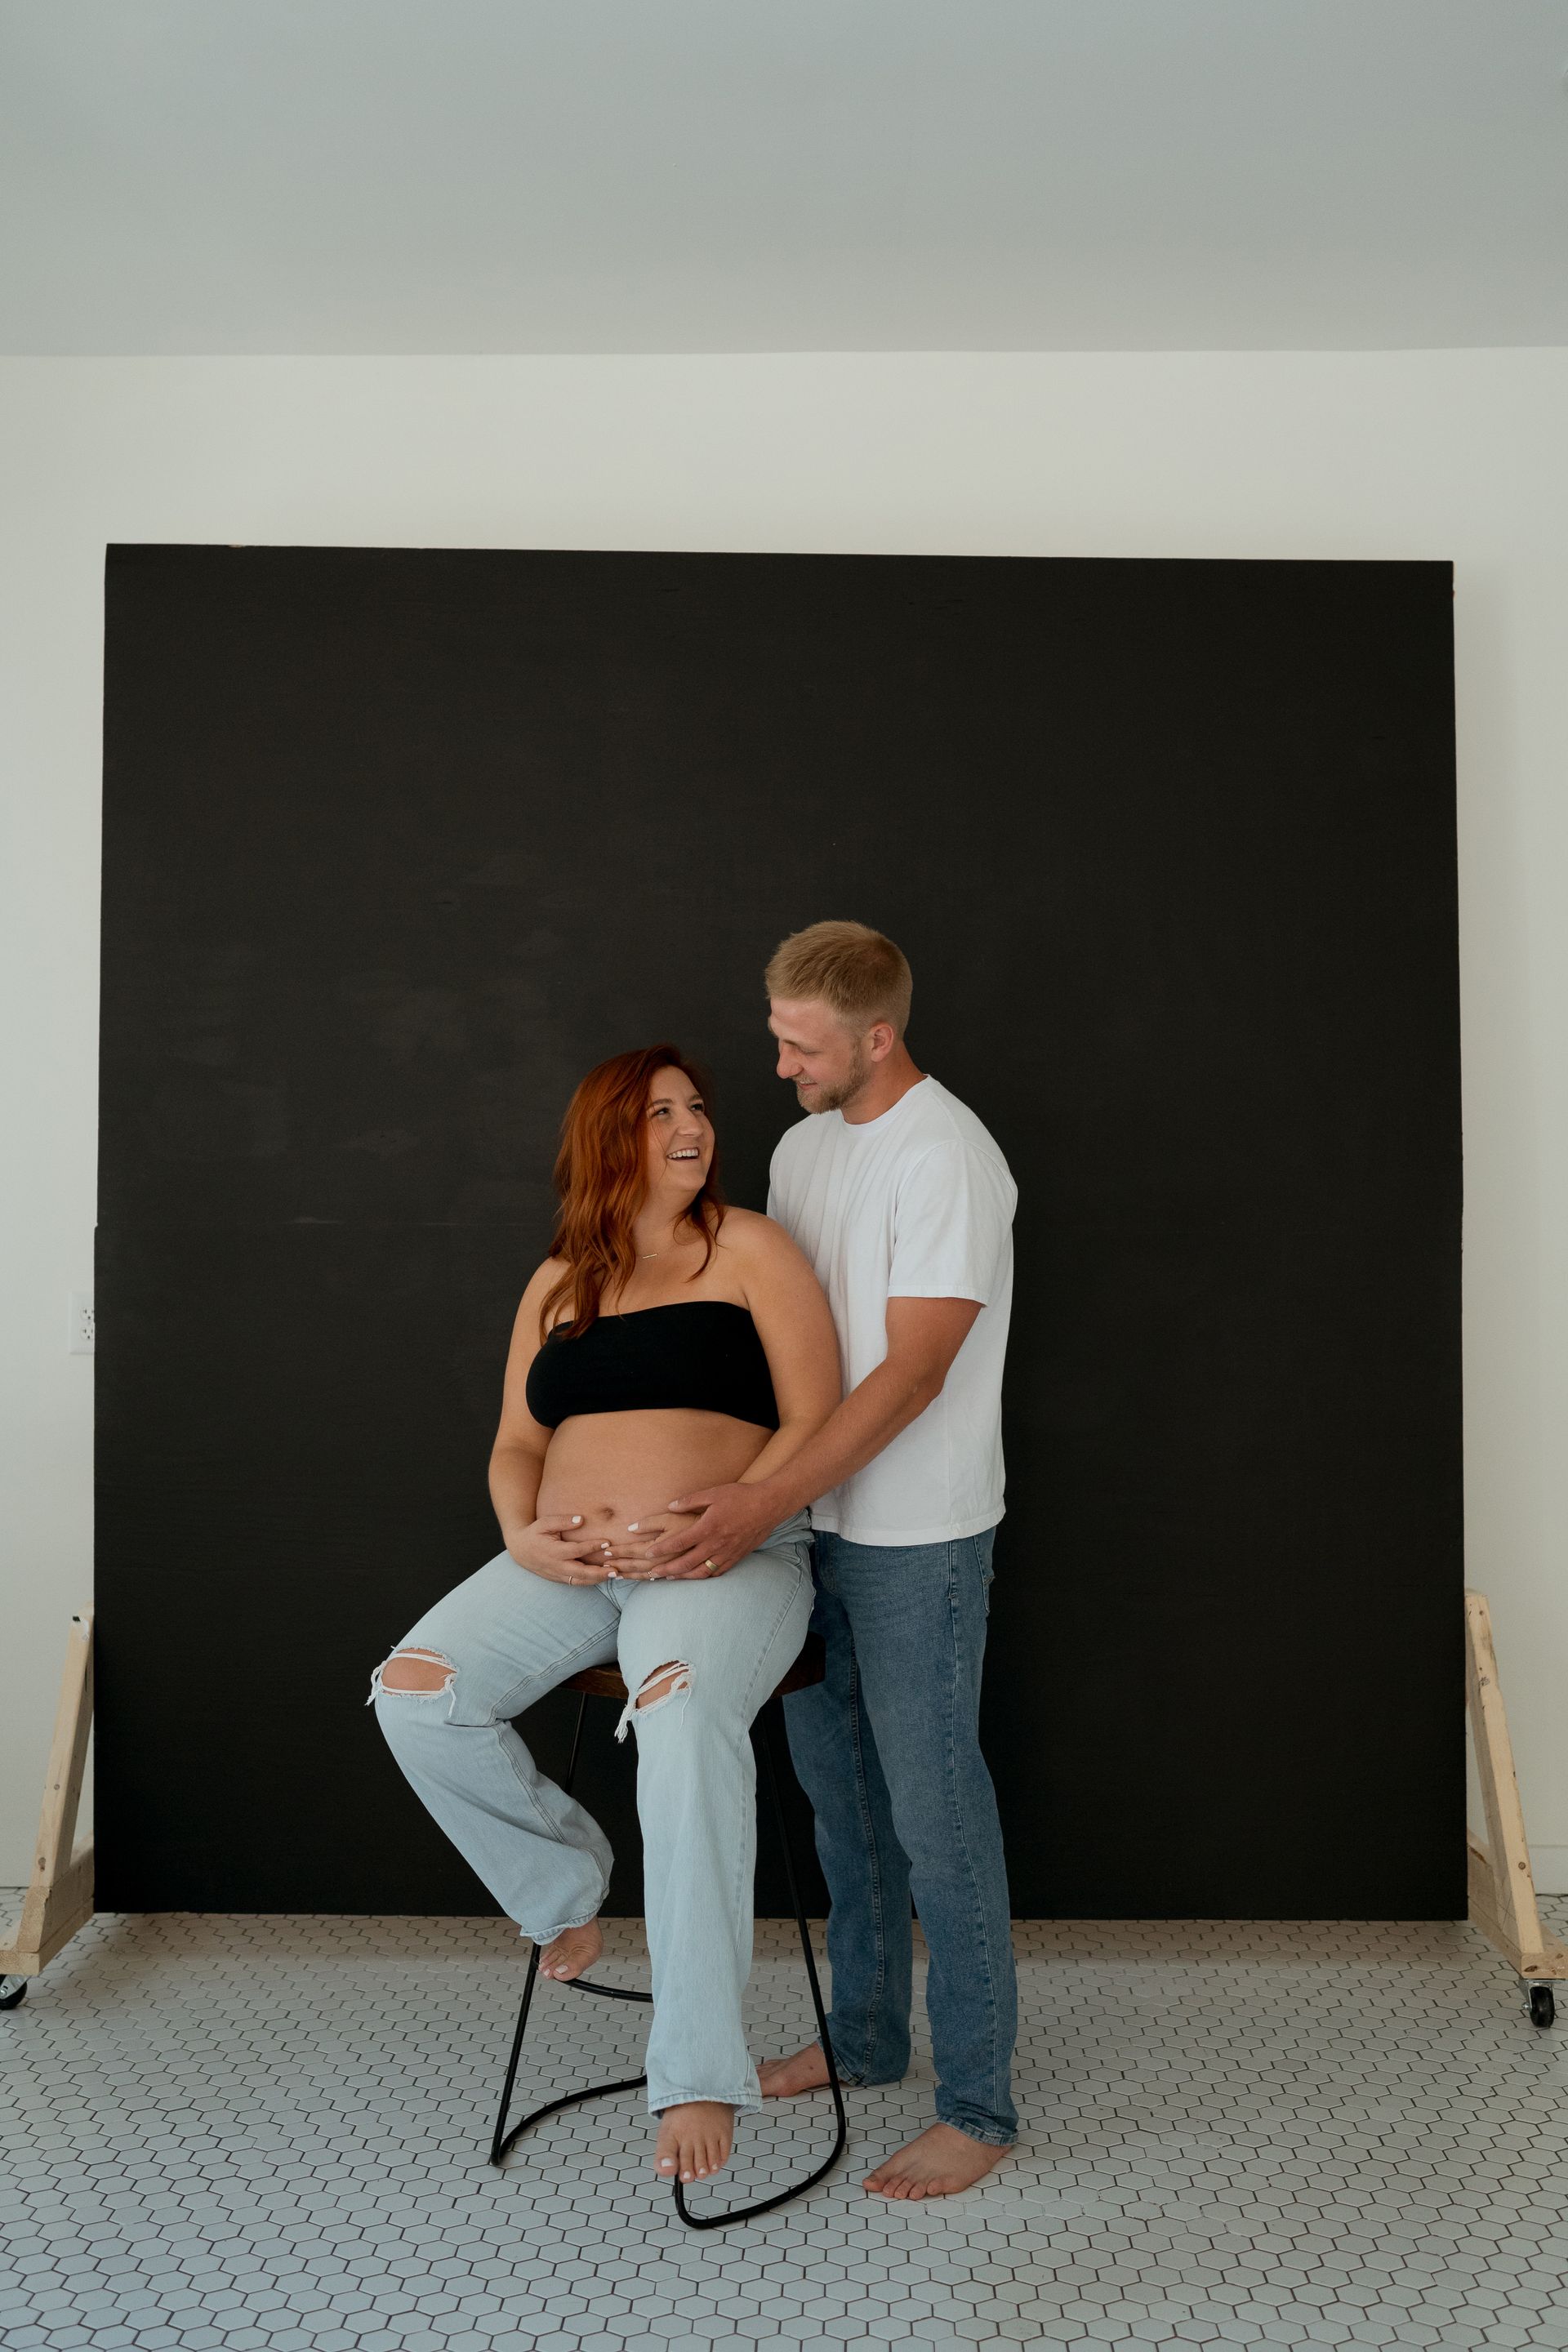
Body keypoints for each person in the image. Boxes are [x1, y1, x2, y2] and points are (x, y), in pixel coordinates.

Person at [371, 1044, 840, 2192]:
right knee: (414, 1691)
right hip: (564, 1566)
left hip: (728, 1562)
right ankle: (562, 1888)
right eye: (658, 1112)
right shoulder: (558, 1281)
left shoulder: (752, 1250)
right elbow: (517, 1445)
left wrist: (734, 1515)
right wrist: (519, 1531)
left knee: (678, 1724)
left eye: (696, 1108)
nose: (690, 1126)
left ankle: (695, 2070)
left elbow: (820, 1416)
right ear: (605, 1140)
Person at [622, 923, 1018, 2200]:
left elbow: (912, 1372)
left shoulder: (948, 1155)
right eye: (779, 1034)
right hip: (812, 1534)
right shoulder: (802, 1149)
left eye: (801, 1043)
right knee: (841, 1809)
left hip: (917, 1538)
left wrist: (753, 1503)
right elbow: (765, 1336)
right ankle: (862, 2041)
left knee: (935, 1817)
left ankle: (978, 2107)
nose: (779, 1062)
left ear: (877, 1037)